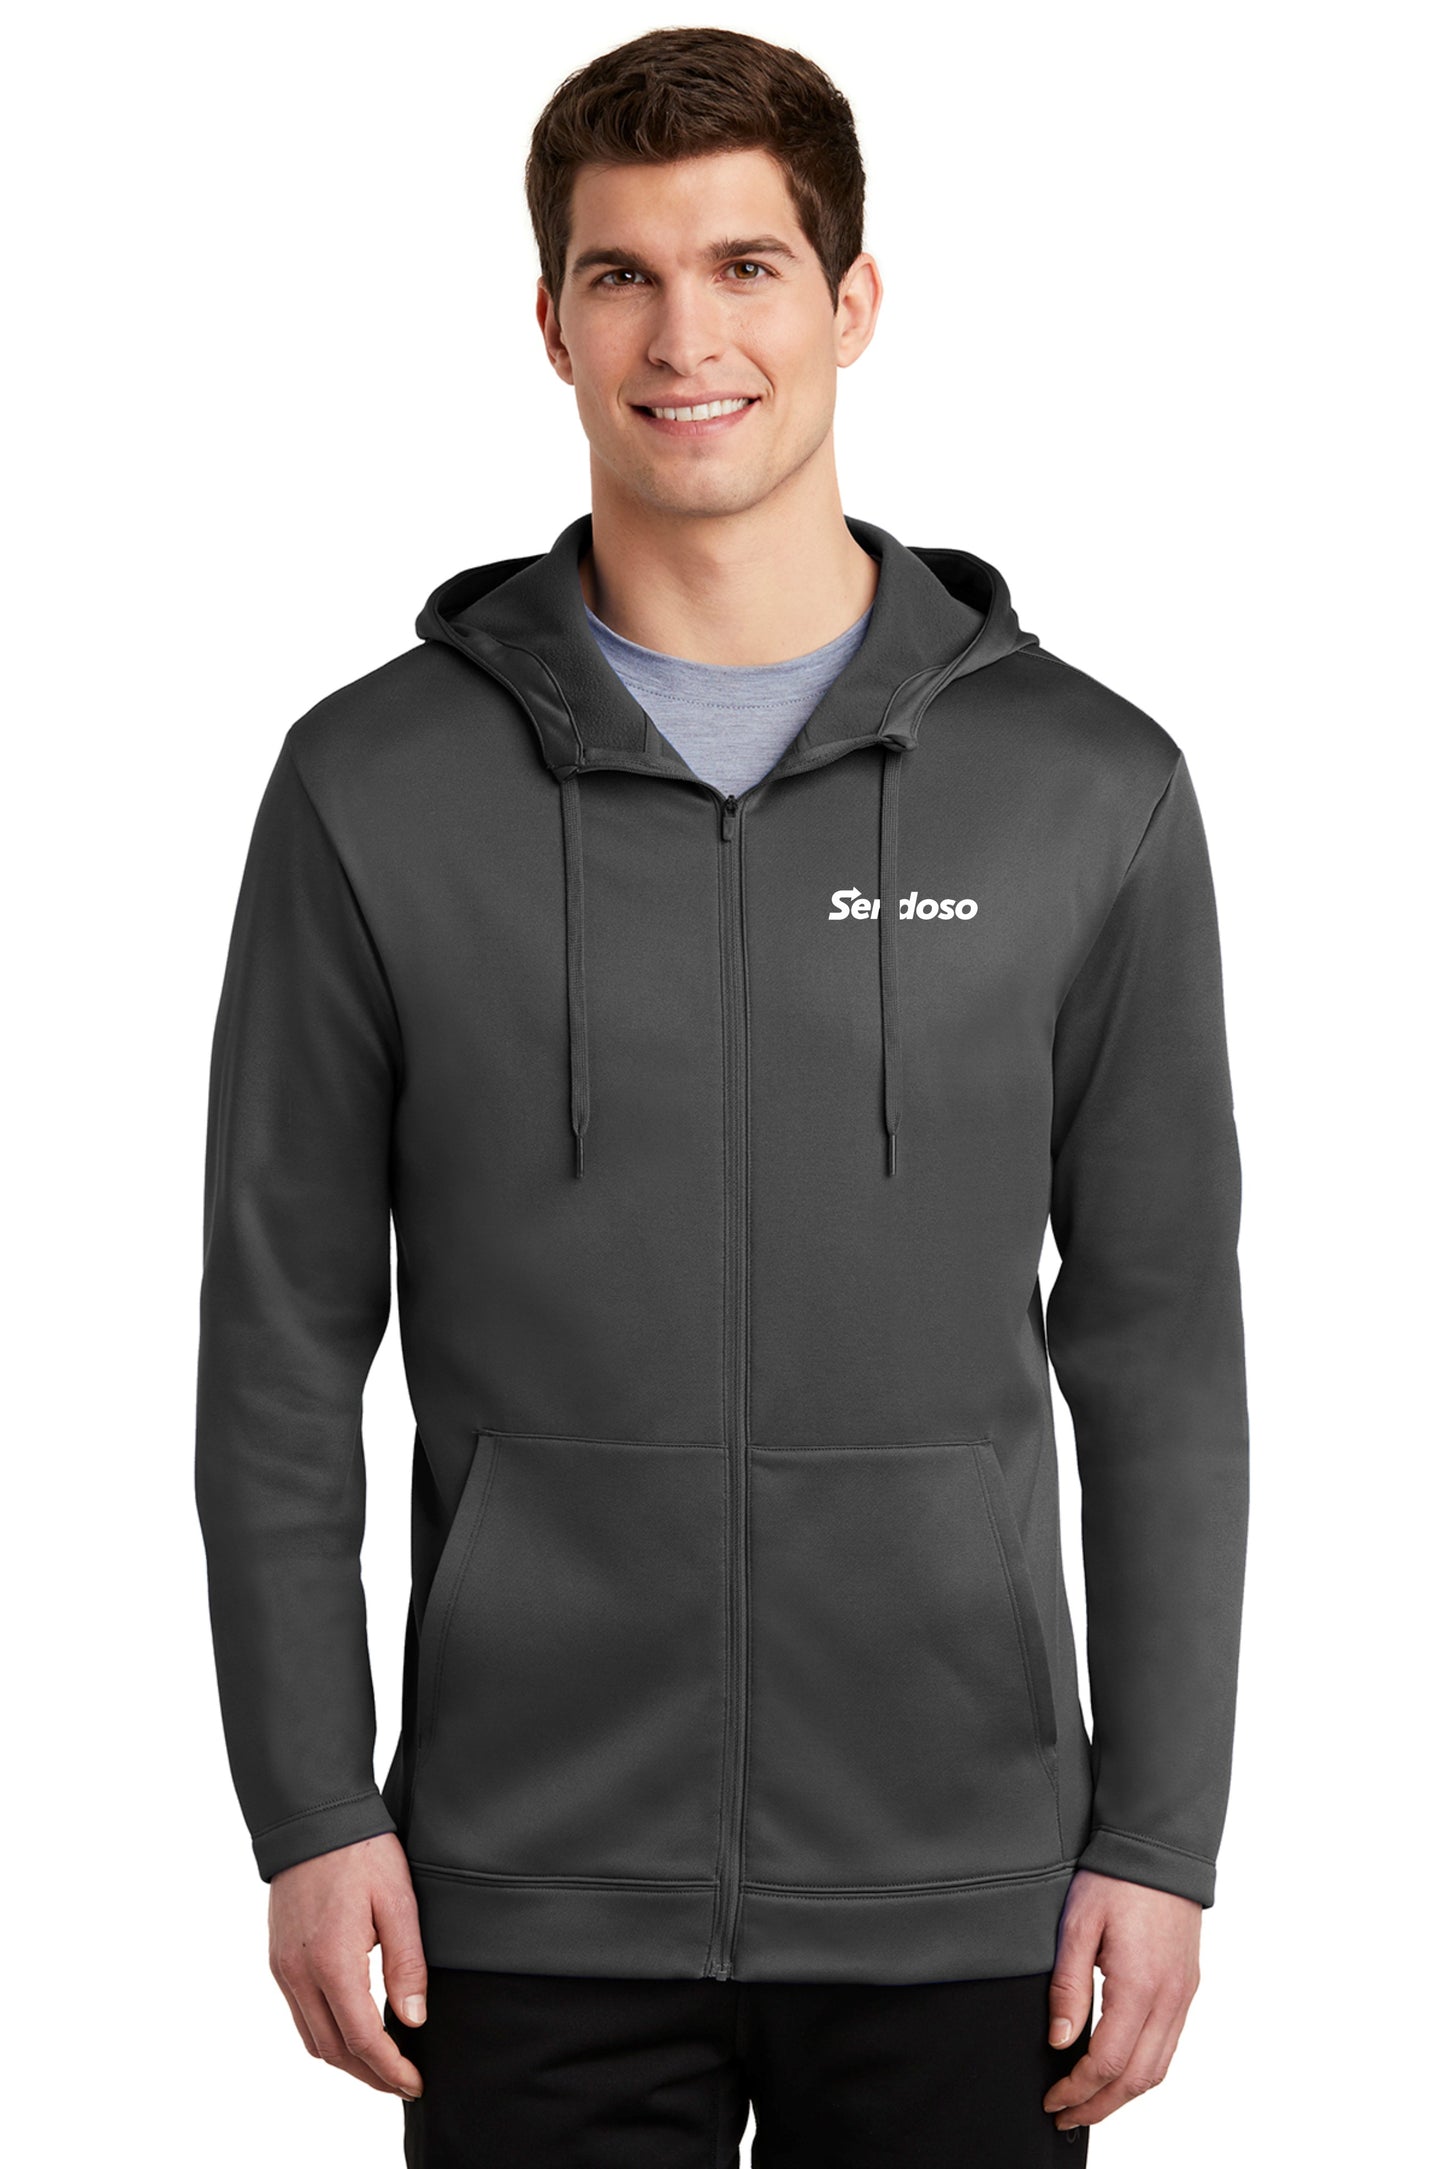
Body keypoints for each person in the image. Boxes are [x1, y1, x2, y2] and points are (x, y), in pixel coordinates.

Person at [194, 25, 1250, 2165]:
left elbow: (1160, 1342)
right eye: (624, 275)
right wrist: (307, 1802)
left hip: (973, 1887)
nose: (685, 338)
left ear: (851, 303)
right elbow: (280, 1339)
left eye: (746, 266)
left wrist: (1161, 1832)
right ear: (552, 321)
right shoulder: (370, 784)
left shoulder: (1088, 787)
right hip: (515, 1884)